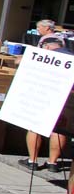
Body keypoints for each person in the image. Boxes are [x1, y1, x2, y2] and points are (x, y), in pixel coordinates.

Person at [18, 36, 72, 172]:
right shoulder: (71, 57)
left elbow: (19, 61)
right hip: (67, 97)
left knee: (34, 126)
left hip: (45, 94)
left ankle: (33, 160)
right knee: (59, 129)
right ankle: (52, 163)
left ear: (46, 46)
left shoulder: (46, 55)